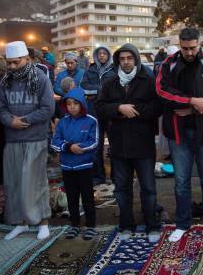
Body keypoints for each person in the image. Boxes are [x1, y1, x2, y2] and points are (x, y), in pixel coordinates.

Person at [156, 27, 203, 242]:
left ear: (200, 43)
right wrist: (191, 100)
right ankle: (182, 223)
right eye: (185, 48)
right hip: (178, 132)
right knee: (181, 180)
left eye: (192, 47)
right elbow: (162, 91)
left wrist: (196, 106)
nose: (189, 52)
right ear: (179, 44)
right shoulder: (168, 64)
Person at [96, 43, 162, 242]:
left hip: (143, 144)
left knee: (148, 189)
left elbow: (158, 107)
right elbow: (99, 107)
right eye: (122, 59)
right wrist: (119, 108)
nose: (126, 62)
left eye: (129, 58)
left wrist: (134, 110)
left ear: (136, 59)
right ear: (118, 61)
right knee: (122, 189)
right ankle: (126, 225)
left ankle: (152, 226)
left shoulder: (148, 81)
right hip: (119, 145)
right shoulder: (110, 83)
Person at [0, 41, 54, 240]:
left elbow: (48, 109)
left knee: (35, 182)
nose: (11, 67)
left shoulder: (40, 79)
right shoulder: (5, 81)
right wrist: (9, 121)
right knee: (13, 183)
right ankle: (21, 222)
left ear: (27, 59)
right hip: (12, 139)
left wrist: (26, 120)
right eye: (9, 63)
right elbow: (0, 108)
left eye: (15, 62)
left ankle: (43, 222)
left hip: (35, 138)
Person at [51, 87, 99, 240]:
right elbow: (54, 142)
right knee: (71, 197)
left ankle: (90, 225)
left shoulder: (91, 121)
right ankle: (75, 224)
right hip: (67, 167)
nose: (72, 107)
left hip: (84, 166)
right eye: (69, 103)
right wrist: (68, 147)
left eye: (76, 104)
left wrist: (79, 148)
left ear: (82, 104)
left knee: (87, 197)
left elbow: (94, 142)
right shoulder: (63, 123)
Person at [81, 46, 115, 185]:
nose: (101, 56)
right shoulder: (90, 70)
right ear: (96, 55)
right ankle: (98, 176)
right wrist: (101, 89)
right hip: (94, 112)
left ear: (108, 55)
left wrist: (96, 91)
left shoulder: (114, 70)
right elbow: (83, 86)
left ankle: (116, 176)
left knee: (115, 145)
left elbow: (116, 88)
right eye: (99, 53)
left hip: (111, 112)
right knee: (96, 146)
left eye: (104, 53)